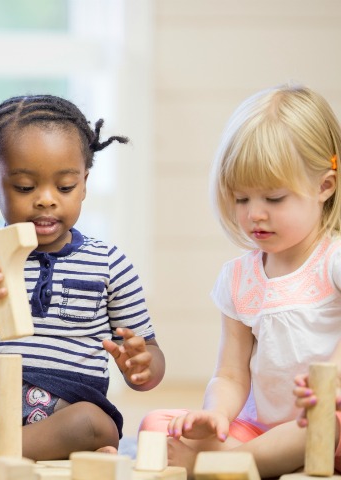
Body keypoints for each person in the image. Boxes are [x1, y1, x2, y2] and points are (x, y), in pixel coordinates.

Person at [0, 94, 166, 476]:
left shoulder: (109, 263)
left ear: (83, 185)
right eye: (26, 187)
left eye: (64, 187)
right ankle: (26, 453)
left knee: (93, 424)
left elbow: (151, 356)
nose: (46, 201)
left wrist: (142, 365)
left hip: (67, 413)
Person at [139, 84, 341, 478]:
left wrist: (331, 382)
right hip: (261, 429)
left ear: (324, 187)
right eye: (241, 198)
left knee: (319, 422)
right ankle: (243, 458)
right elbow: (230, 374)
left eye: (274, 198)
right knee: (156, 428)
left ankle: (224, 464)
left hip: (326, 423)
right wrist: (215, 414)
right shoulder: (239, 278)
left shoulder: (333, 260)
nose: (255, 215)